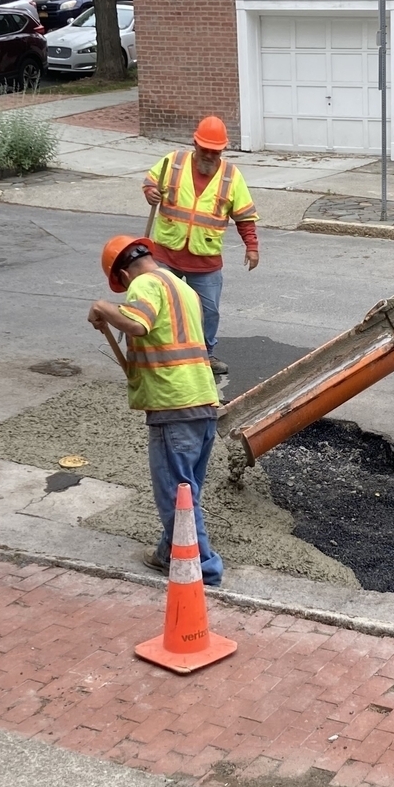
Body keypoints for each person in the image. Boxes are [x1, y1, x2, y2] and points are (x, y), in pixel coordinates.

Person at [89, 235, 225, 585]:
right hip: (202, 400)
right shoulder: (182, 288)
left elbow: (138, 325)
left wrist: (104, 308)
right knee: (185, 489)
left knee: (175, 494)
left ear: (123, 274)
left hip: (172, 404)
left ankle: (203, 569)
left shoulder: (145, 285)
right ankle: (169, 552)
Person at [141, 115, 258, 378]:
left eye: (214, 151)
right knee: (160, 306)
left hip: (205, 261)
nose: (209, 155)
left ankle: (205, 355)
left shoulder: (231, 175)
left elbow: (244, 215)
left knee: (208, 311)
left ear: (222, 150)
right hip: (165, 253)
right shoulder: (172, 162)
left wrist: (251, 246)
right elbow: (150, 184)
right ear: (195, 143)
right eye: (204, 149)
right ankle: (158, 353)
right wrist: (150, 193)